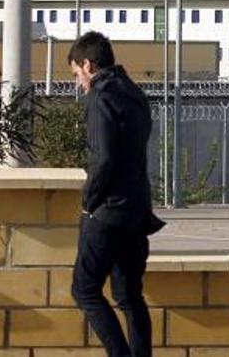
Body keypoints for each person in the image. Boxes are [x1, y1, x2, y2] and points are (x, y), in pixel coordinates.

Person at [68, 31, 165, 357]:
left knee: (85, 291)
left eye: (77, 74)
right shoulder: (134, 93)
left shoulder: (100, 97)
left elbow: (103, 158)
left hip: (107, 213)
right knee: (129, 297)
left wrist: (88, 200)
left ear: (87, 64)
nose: (79, 83)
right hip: (137, 212)